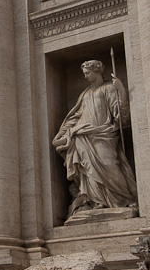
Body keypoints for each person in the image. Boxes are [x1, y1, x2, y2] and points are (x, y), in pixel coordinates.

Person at [52, 60, 137, 217]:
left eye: (87, 72)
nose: (85, 76)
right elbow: (76, 116)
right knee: (88, 169)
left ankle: (124, 198)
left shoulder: (109, 88)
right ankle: (97, 201)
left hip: (104, 134)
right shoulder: (85, 94)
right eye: (84, 73)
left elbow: (120, 116)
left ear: (97, 71)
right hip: (83, 135)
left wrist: (121, 91)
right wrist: (62, 133)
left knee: (109, 164)